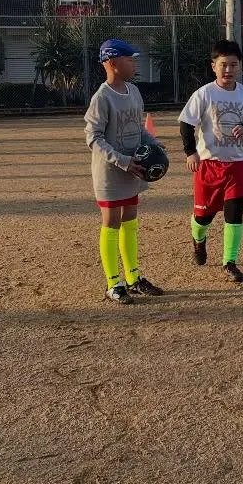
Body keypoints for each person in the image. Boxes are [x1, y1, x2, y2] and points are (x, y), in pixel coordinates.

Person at [177, 39, 243, 283]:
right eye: (223, 65)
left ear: (240, 67)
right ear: (213, 65)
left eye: (233, 65)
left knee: (234, 214)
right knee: (204, 216)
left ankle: (230, 262)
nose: (228, 70)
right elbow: (186, 123)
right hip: (209, 164)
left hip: (238, 164)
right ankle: (199, 238)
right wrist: (190, 152)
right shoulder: (204, 93)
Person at [85, 38, 165, 304]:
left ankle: (133, 278)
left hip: (135, 168)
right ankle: (113, 283)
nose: (134, 63)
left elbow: (139, 128)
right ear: (111, 63)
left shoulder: (133, 91)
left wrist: (154, 144)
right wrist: (121, 160)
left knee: (130, 219)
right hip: (111, 172)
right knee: (111, 222)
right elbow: (93, 137)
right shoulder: (102, 97)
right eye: (129, 58)